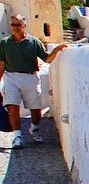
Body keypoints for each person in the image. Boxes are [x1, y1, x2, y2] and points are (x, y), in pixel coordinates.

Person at [0, 14, 67, 148]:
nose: (15, 28)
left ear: (24, 26)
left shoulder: (34, 42)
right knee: (12, 107)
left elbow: (46, 59)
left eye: (18, 25)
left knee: (36, 109)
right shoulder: (4, 43)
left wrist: (57, 50)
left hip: (30, 77)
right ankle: (17, 137)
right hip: (11, 77)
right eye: (13, 25)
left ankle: (34, 128)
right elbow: (1, 64)